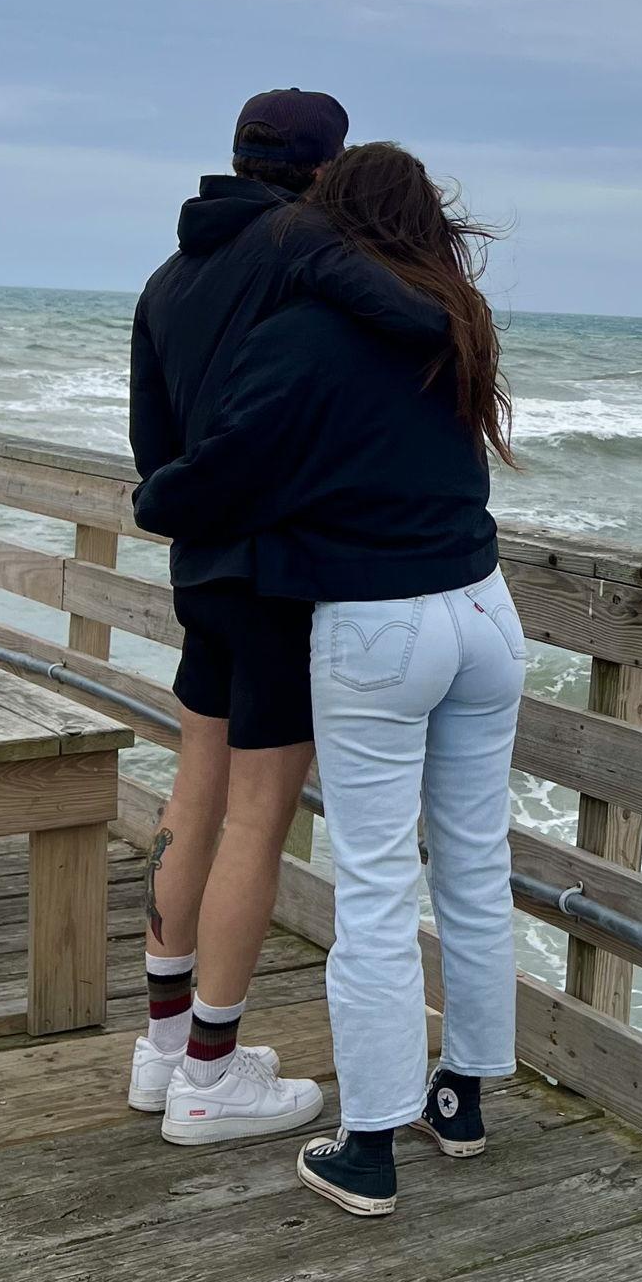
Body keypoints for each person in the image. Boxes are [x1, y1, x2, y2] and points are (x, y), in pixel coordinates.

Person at [135, 142, 520, 1217]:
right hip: (485, 610)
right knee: (475, 867)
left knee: (375, 883)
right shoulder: (456, 319)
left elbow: (216, 472)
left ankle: (367, 1142)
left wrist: (154, 495)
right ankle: (464, 1099)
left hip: (376, 623)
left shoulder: (301, 336)